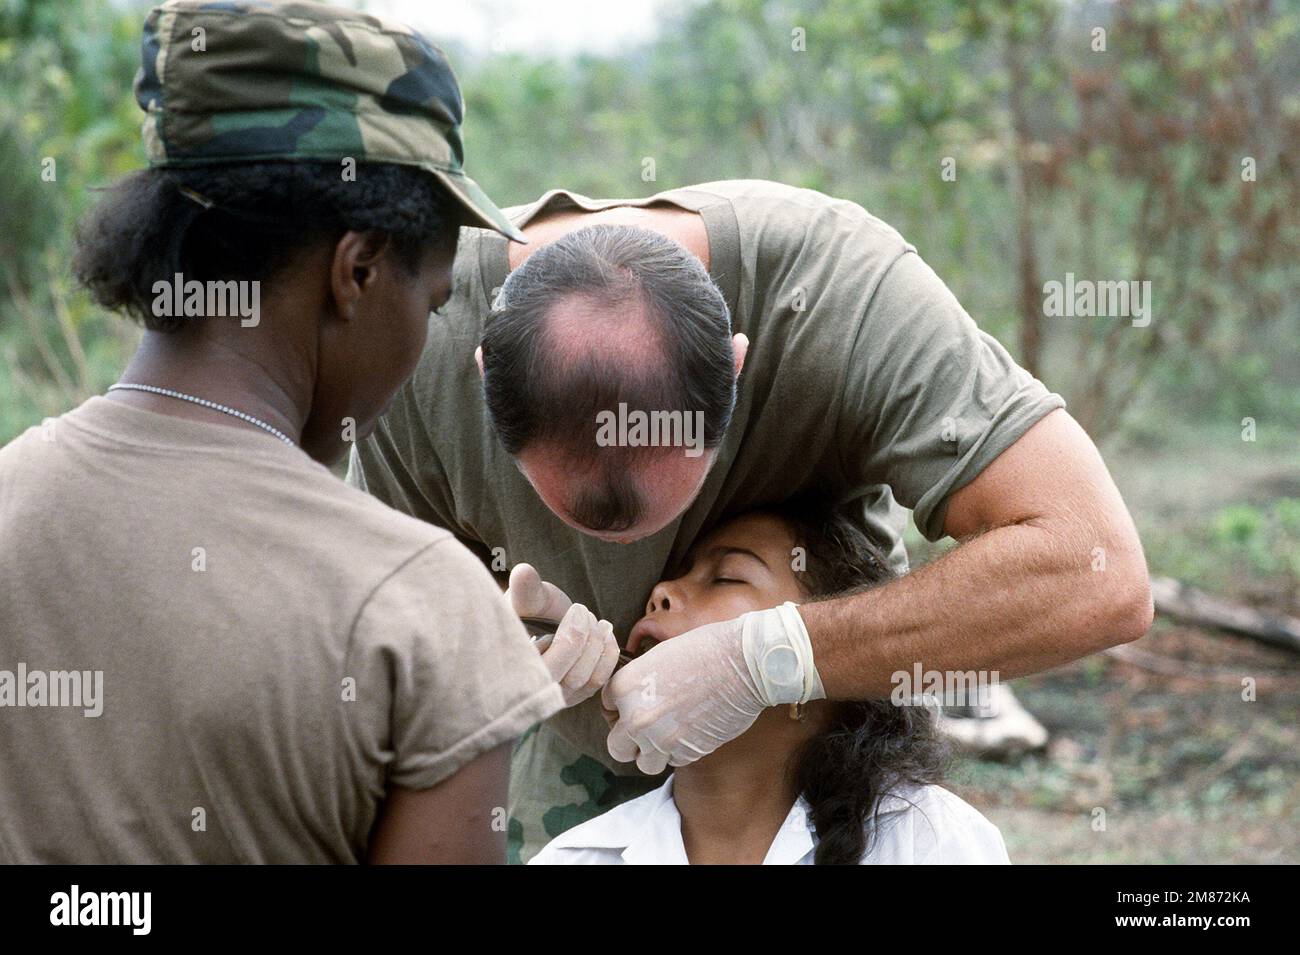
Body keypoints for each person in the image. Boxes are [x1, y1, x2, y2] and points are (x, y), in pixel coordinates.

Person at [349, 181, 1153, 861]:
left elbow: (1097, 569)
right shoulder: (416, 342)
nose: (646, 582)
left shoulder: (840, 297)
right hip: (565, 776)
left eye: (718, 564)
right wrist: (484, 646)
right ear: (486, 382)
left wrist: (764, 659)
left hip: (833, 774)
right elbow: (365, 677)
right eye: (582, 516)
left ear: (734, 370)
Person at [0, 0, 595, 863]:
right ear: (355, 271)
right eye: (430, 302)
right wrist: (470, 684)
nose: (424, 337)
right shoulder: (419, 605)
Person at [530, 503, 1010, 864]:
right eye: (675, 574)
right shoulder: (576, 858)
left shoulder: (928, 841)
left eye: (726, 578)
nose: (661, 593)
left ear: (819, 669)